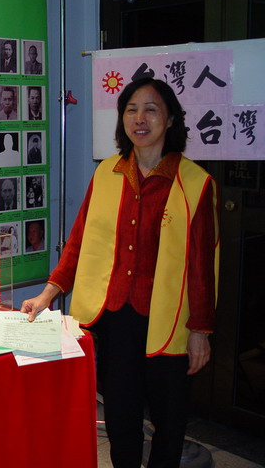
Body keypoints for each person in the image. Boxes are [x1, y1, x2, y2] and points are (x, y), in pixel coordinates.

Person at [21, 78, 218, 468]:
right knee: (121, 418)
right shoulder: (107, 173)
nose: (139, 119)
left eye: (151, 110)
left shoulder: (195, 183)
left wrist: (201, 332)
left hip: (169, 322)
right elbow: (80, 240)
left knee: (170, 421)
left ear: (170, 119)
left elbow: (202, 267)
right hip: (116, 319)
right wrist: (48, 293)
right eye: (131, 110)